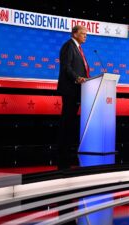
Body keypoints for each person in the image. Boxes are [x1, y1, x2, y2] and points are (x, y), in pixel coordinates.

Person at [57, 25, 90, 170]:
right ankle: (62, 153)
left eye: (86, 34)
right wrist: (77, 78)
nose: (85, 36)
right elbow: (66, 67)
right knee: (66, 120)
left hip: (77, 90)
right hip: (70, 90)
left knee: (70, 122)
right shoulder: (68, 46)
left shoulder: (78, 49)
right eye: (83, 34)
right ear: (75, 34)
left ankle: (67, 150)